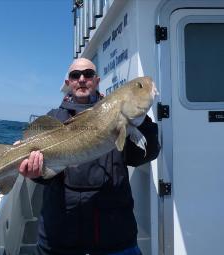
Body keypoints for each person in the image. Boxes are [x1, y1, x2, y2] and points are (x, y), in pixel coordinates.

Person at [17, 58, 160, 255]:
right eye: (75, 75)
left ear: (97, 80)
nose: (82, 79)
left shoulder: (121, 117)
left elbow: (143, 156)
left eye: (88, 74)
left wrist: (141, 123)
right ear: (68, 83)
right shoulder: (52, 119)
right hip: (61, 239)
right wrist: (36, 173)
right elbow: (48, 175)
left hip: (115, 238)